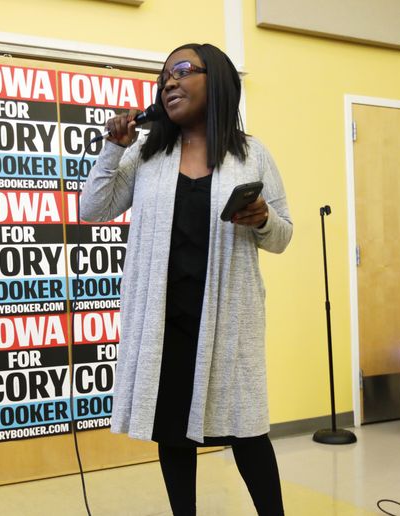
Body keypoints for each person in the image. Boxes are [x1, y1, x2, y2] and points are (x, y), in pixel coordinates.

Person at [79, 43, 292, 515]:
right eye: (163, 78)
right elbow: (94, 209)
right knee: (173, 434)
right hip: (165, 323)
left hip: (228, 325)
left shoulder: (252, 155)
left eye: (181, 71)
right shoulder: (146, 154)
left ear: (214, 80)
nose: (169, 82)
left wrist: (261, 219)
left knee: (246, 432)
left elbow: (282, 237)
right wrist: (113, 150)